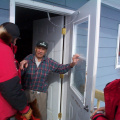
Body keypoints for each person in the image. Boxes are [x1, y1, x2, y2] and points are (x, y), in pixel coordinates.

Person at [20, 41, 80, 120]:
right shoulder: (29, 58)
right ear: (35, 49)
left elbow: (61, 68)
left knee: (39, 116)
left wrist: (72, 64)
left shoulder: (49, 62)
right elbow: (20, 73)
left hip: (40, 94)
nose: (40, 51)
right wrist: (20, 66)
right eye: (39, 48)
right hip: (27, 92)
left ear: (46, 51)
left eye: (43, 49)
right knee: (25, 115)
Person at [0, 22, 32, 120]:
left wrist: (18, 67)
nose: (16, 41)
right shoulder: (3, 50)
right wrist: (24, 108)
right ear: (11, 37)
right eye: (16, 39)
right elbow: (9, 86)